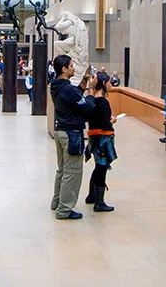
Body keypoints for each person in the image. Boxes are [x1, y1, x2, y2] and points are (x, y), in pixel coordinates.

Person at [49, 54, 96, 220]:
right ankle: (64, 209)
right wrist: (91, 92)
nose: (73, 68)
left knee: (62, 170)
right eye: (71, 66)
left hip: (61, 131)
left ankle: (57, 202)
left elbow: (75, 95)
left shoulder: (57, 86)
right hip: (71, 134)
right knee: (72, 172)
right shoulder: (67, 90)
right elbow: (87, 108)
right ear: (64, 69)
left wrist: (85, 80)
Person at [85, 72, 117, 213]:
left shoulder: (92, 101)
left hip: (94, 137)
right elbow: (104, 123)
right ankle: (99, 202)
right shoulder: (103, 102)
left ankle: (92, 196)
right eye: (109, 81)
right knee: (101, 168)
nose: (111, 84)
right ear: (104, 84)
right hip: (103, 138)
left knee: (98, 167)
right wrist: (112, 121)